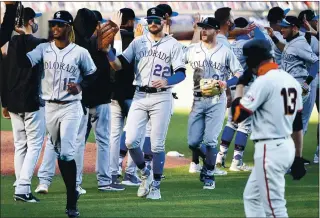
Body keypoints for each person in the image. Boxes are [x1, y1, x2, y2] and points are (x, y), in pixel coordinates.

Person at [18, 10, 97, 217]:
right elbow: (24, 62)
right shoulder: (44, 48)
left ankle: (72, 200)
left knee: (67, 152)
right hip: (50, 107)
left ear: (68, 27)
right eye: (53, 24)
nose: (55, 28)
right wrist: (22, 37)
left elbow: (93, 74)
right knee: (58, 148)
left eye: (60, 25)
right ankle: (73, 191)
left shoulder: (79, 52)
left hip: (71, 107)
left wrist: (80, 86)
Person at [106, 7, 186, 200]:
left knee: (157, 145)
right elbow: (118, 65)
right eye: (150, 20)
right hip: (140, 95)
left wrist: (168, 81)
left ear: (163, 21)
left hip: (162, 97)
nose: (152, 23)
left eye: (156, 20)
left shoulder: (173, 44)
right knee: (130, 141)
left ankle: (156, 186)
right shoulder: (138, 42)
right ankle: (145, 174)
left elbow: (181, 72)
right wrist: (108, 52)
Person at [231, 39, 306, 217]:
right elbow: (297, 124)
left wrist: (240, 85)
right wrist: (298, 157)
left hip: (270, 149)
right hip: (285, 146)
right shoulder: (291, 80)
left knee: (275, 209)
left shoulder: (264, 82)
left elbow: (237, 116)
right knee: (252, 197)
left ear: (253, 61)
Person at [185, 17, 243, 188]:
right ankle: (208, 163)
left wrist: (227, 84)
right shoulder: (192, 50)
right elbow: (176, 62)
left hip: (217, 100)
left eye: (208, 28)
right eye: (202, 27)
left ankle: (209, 173)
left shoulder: (225, 51)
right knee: (193, 143)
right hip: (197, 100)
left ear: (217, 31)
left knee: (210, 141)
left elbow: (240, 73)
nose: (204, 31)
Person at [1, 7, 45, 203]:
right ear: (30, 21)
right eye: (34, 20)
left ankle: (20, 183)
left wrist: (4, 102)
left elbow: (3, 74)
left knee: (20, 145)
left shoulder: (8, 45)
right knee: (34, 145)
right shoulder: (40, 44)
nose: (35, 23)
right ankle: (23, 188)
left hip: (12, 100)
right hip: (31, 100)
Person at [278, 16, 319, 164]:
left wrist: (307, 83)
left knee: (291, 124)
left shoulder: (299, 43)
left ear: (294, 28)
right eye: (281, 26)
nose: (281, 29)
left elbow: (316, 62)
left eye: (285, 27)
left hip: (298, 86)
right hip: (290, 86)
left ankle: (291, 160)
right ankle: (294, 159)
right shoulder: (292, 42)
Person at [109, 8, 142, 186]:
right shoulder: (137, 40)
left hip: (113, 94)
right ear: (130, 21)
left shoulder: (109, 38)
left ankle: (113, 174)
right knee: (135, 135)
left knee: (114, 136)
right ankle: (130, 173)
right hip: (133, 94)